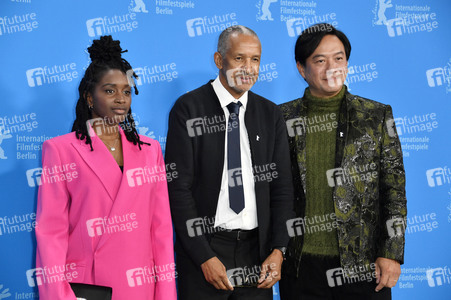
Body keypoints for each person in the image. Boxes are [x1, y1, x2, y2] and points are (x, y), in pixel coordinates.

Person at [35, 35, 176, 300]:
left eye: (126, 91)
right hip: (88, 288)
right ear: (89, 97)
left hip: (140, 287)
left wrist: (166, 293)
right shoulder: (60, 150)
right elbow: (50, 232)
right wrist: (57, 295)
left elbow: (161, 231)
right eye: (110, 90)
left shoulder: (150, 150)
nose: (121, 99)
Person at [278, 23, 407, 300]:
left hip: (364, 267)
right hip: (300, 267)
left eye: (338, 58)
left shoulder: (376, 116)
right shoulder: (281, 118)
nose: (331, 68)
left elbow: (394, 190)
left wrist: (391, 253)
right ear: (302, 68)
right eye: (320, 60)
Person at [165, 25, 294, 300]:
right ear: (219, 60)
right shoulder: (188, 109)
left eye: (255, 59)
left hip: (257, 257)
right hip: (206, 253)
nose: (249, 68)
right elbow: (178, 190)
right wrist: (203, 256)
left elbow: (282, 188)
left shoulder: (270, 114)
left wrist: (278, 249)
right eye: (239, 58)